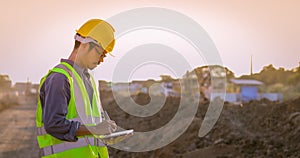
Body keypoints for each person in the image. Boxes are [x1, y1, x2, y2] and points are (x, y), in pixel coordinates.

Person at [36, 19, 120, 158]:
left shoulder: (89, 80)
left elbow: (89, 124)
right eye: (100, 53)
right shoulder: (60, 78)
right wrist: (94, 129)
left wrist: (104, 128)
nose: (102, 60)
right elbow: (54, 125)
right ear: (85, 45)